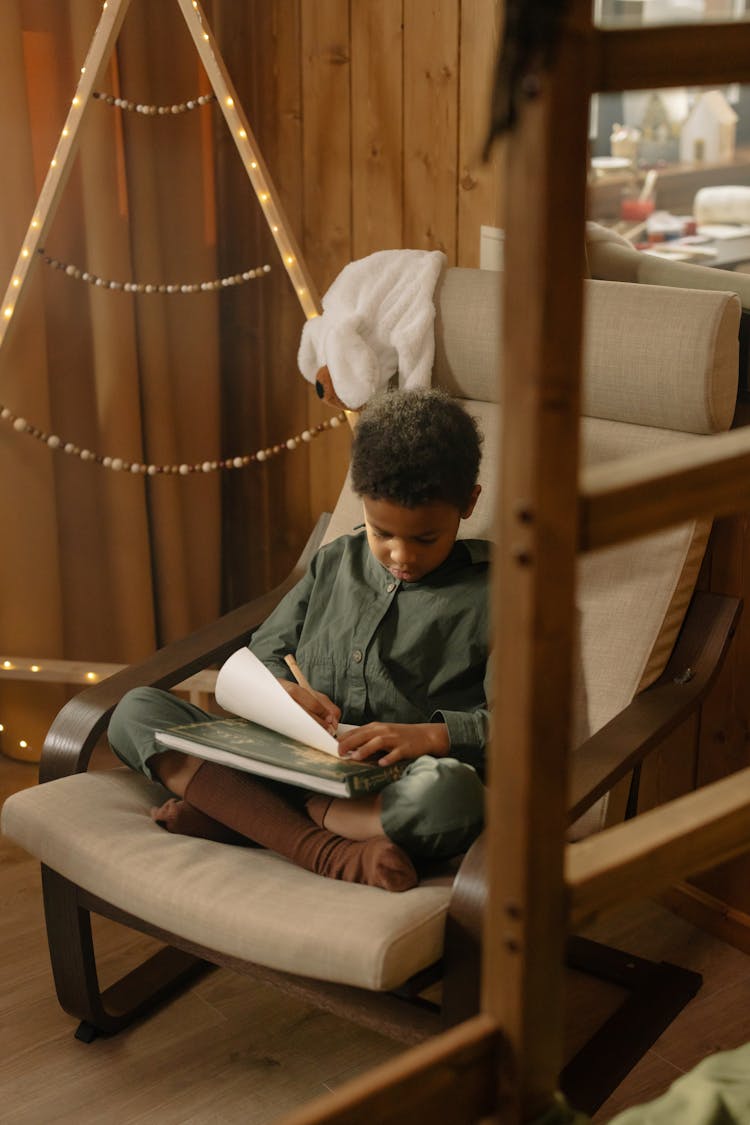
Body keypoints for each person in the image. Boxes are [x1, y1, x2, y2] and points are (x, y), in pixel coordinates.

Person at [108, 388, 490, 893]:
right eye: (381, 533)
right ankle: (324, 850)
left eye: (425, 539)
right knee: (135, 711)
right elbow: (266, 656)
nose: (400, 555)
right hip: (283, 757)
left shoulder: (498, 594)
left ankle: (243, 816)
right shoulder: (336, 562)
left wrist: (428, 736)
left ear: (469, 503)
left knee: (453, 798)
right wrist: (283, 691)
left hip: (389, 786)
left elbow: (525, 729)